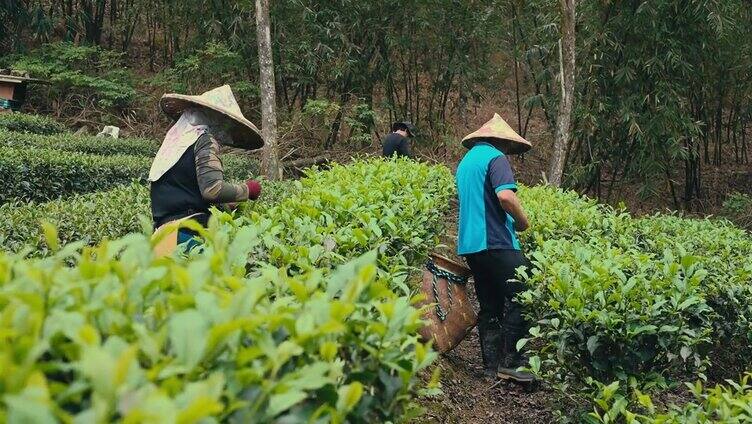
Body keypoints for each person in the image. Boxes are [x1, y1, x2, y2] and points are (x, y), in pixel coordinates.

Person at [455, 113, 534, 383]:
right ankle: (510, 362)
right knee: (524, 293)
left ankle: (491, 366)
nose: (509, 152)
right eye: (509, 147)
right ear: (500, 141)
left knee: (490, 304)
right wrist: (523, 222)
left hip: (471, 244)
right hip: (496, 240)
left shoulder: (466, 162)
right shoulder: (495, 158)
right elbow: (505, 197)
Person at [149, 85, 264, 252]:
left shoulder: (175, 145)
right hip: (187, 236)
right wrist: (248, 190)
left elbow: (182, 192)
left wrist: (225, 207)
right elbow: (212, 190)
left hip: (162, 238)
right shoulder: (203, 140)